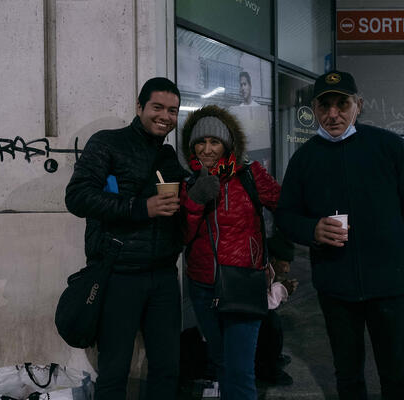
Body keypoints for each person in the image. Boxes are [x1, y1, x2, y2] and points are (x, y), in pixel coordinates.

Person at [275, 70, 404, 400]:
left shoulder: (389, 148)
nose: (333, 114)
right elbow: (285, 216)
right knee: (347, 375)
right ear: (313, 110)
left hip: (389, 286)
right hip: (336, 290)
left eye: (342, 104)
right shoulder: (304, 159)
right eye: (324, 106)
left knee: (396, 373)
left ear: (358, 105)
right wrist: (312, 229)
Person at [65, 77, 187, 399]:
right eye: (157, 107)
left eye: (172, 111)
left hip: (163, 275)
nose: (165, 116)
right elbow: (77, 197)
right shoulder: (107, 143)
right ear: (139, 107)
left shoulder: (169, 157)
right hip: (119, 274)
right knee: (114, 369)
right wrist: (139, 207)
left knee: (166, 368)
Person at [180, 105, 281, 399]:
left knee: (240, 370)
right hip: (202, 286)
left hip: (242, 283)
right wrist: (196, 200)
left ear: (228, 144)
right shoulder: (187, 183)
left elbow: (285, 207)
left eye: (215, 141)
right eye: (201, 142)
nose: (207, 149)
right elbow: (182, 236)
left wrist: (279, 254)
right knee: (221, 362)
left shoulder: (250, 175)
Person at [255, 230, 298, 386]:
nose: (287, 270)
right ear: (273, 260)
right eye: (285, 264)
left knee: (274, 320)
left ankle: (273, 357)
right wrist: (282, 290)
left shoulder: (269, 268)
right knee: (271, 322)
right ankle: (267, 369)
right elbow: (261, 304)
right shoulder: (261, 270)